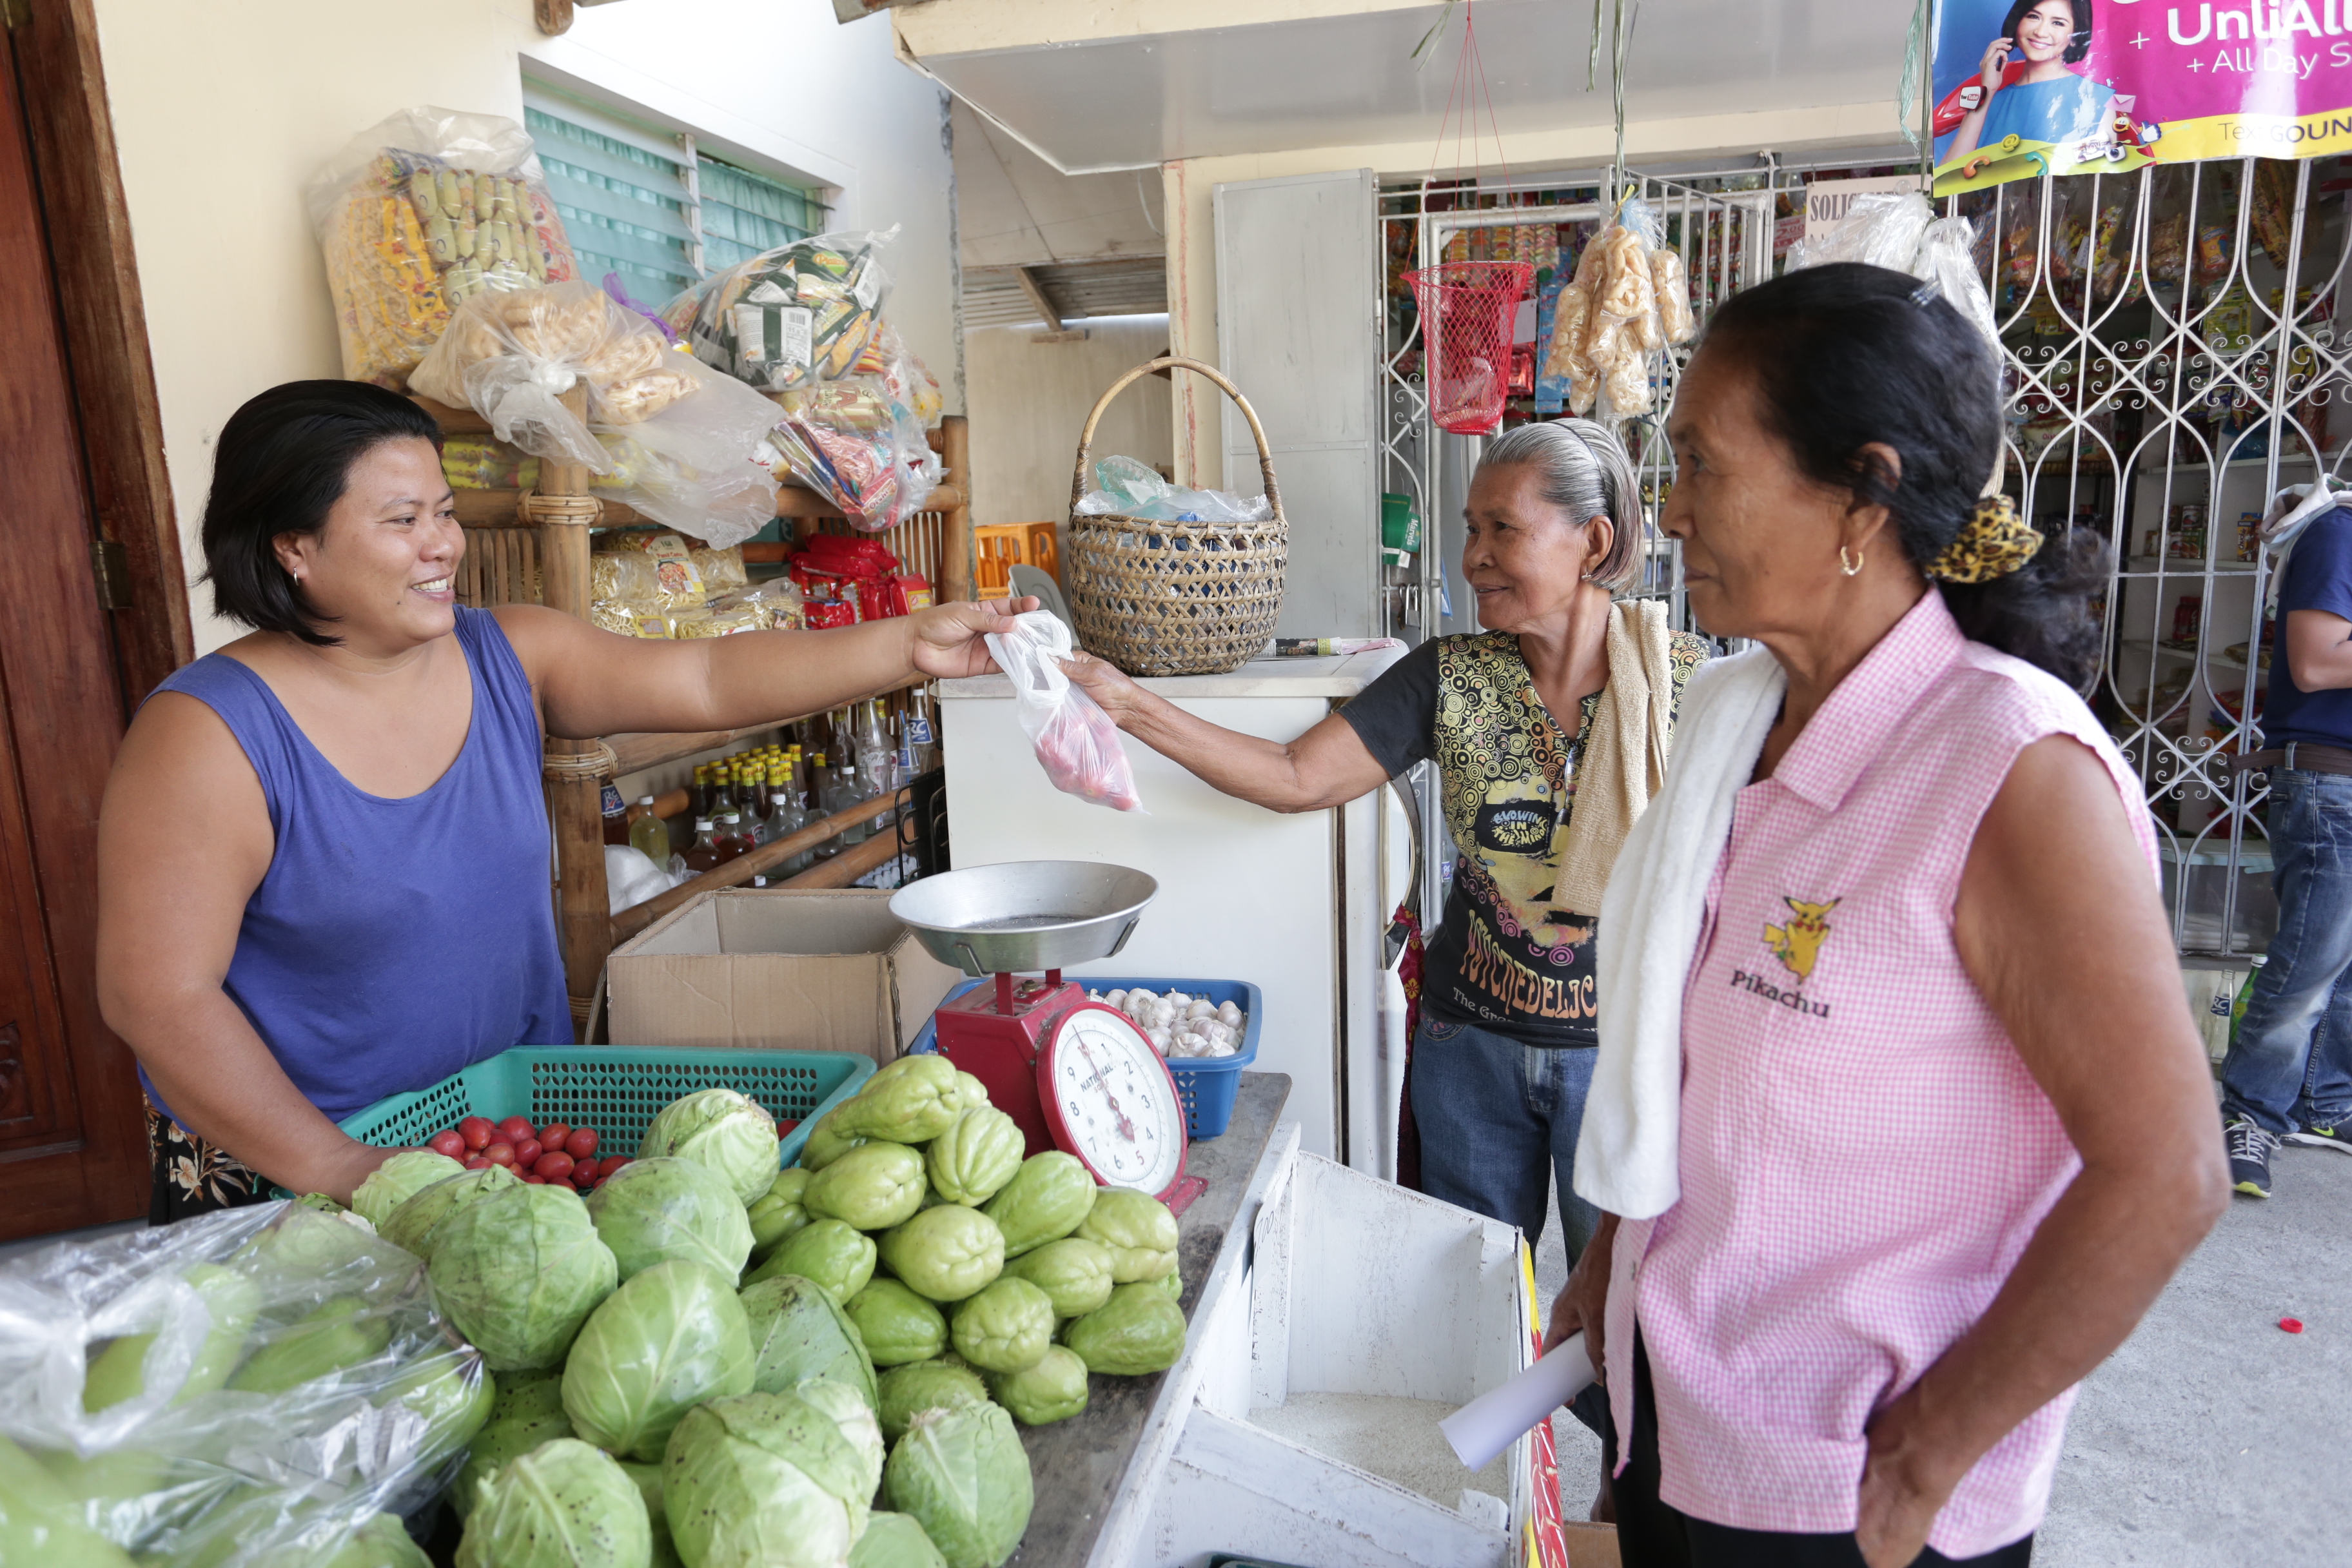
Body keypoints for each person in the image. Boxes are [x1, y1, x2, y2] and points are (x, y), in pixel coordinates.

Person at [1546, 265, 2224, 1567]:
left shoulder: (2007, 770)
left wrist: (1926, 1454)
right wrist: (1619, 1253)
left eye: (1700, 466)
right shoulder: (1741, 722)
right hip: (1675, 1424)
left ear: (1862, 489)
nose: (1671, 513)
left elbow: (2169, 1170)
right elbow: (1687, 1057)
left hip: (1841, 1498)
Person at [96, 381, 1028, 1217]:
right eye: (401, 521)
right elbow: (161, 1000)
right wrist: (348, 1170)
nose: (442, 546)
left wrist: (911, 646)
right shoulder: (206, 736)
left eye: (446, 513)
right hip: (297, 1178)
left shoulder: (510, 652)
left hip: (508, 1143)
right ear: (292, 547)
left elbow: (706, 678)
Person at [1065, 418, 1705, 1264]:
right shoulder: (1448, 675)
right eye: (1471, 528)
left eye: (1502, 529)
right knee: (1467, 1294)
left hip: (1627, 1057)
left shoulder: (1690, 683)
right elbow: (1298, 776)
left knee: (1631, 1318)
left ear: (1593, 541)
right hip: (1470, 1052)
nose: (1473, 555)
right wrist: (1128, 703)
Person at [2218, 489, 2352, 1197]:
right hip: (2333, 785)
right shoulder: (2339, 533)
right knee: (2308, 965)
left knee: (2346, 973)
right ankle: (2249, 1111)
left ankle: (2326, 1105)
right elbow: (2318, 662)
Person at [1944, 0, 2112, 162]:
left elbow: (2099, 180)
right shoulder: (1991, 100)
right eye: (2034, 17)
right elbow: (1949, 178)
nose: (2041, 32)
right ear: (2018, 21)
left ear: (2075, 36)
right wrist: (1987, 89)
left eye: (2058, 23)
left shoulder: (2098, 99)